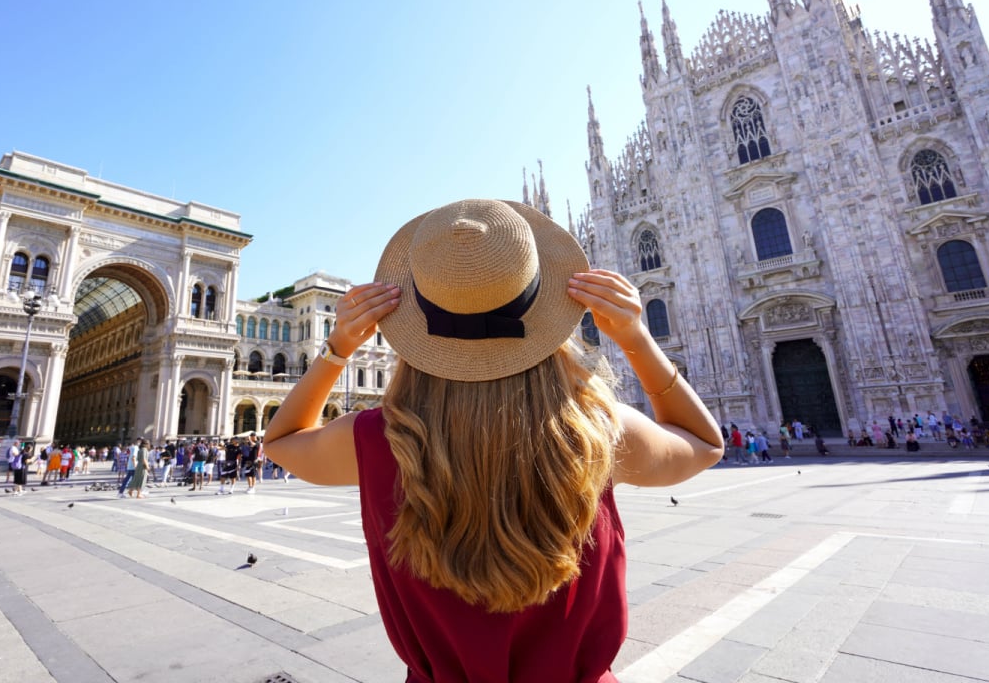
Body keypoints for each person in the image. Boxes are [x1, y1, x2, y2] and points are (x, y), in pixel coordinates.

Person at [263, 198, 722, 682]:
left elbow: (282, 440)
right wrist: (634, 337)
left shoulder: (380, 441)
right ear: (545, 311)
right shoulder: (596, 431)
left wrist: (337, 349)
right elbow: (703, 442)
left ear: (412, 325)